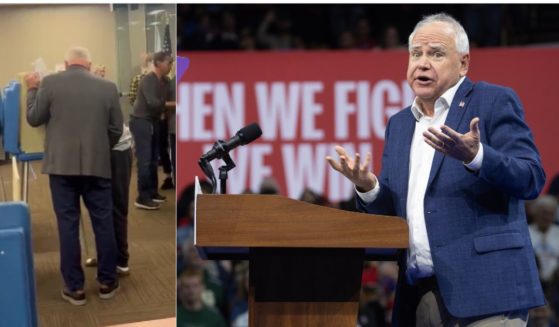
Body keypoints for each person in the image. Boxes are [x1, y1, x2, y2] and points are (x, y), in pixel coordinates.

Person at [327, 13, 545, 326]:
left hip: (488, 294)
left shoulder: (493, 101)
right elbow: (396, 212)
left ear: (464, 63)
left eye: (436, 53)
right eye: (416, 53)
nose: (423, 62)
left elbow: (531, 178)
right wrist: (369, 187)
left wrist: (477, 156)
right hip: (420, 298)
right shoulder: (400, 124)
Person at [25, 46, 123, 305]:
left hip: (61, 167)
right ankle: (107, 282)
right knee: (103, 223)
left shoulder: (50, 83)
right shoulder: (108, 87)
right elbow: (115, 129)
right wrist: (99, 148)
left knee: (67, 226)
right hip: (97, 165)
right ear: (89, 65)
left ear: (67, 64)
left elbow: (34, 118)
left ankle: (75, 287)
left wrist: (31, 89)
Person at [129, 51, 173, 210]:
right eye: (168, 62)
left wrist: (166, 106)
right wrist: (173, 104)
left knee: (154, 159)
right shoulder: (148, 80)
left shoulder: (165, 81)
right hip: (142, 122)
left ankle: (152, 192)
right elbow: (153, 104)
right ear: (158, 63)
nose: (170, 65)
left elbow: (160, 103)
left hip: (154, 122)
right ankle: (142, 197)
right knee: (145, 160)